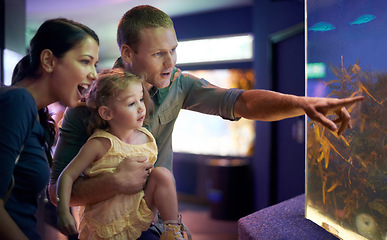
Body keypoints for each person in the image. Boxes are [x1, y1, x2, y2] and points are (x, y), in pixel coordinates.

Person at [48, 5, 364, 239]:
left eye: (173, 50)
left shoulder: (179, 84)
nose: (171, 62)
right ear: (128, 53)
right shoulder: (87, 105)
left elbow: (242, 101)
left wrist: (303, 104)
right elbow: (57, 191)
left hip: (155, 224)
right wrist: (115, 182)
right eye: (159, 53)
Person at [56, 69, 190, 240]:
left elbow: (148, 180)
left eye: (141, 99)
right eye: (131, 103)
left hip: (136, 215)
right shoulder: (99, 144)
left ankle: (172, 230)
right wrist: (63, 212)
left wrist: (153, 211)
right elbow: (67, 175)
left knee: (162, 174)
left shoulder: (146, 138)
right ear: (107, 113)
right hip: (106, 223)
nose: (141, 107)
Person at [0, 18, 99, 240]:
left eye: (95, 64)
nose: (94, 74)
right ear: (48, 61)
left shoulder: (35, 115)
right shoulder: (18, 102)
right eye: (85, 61)